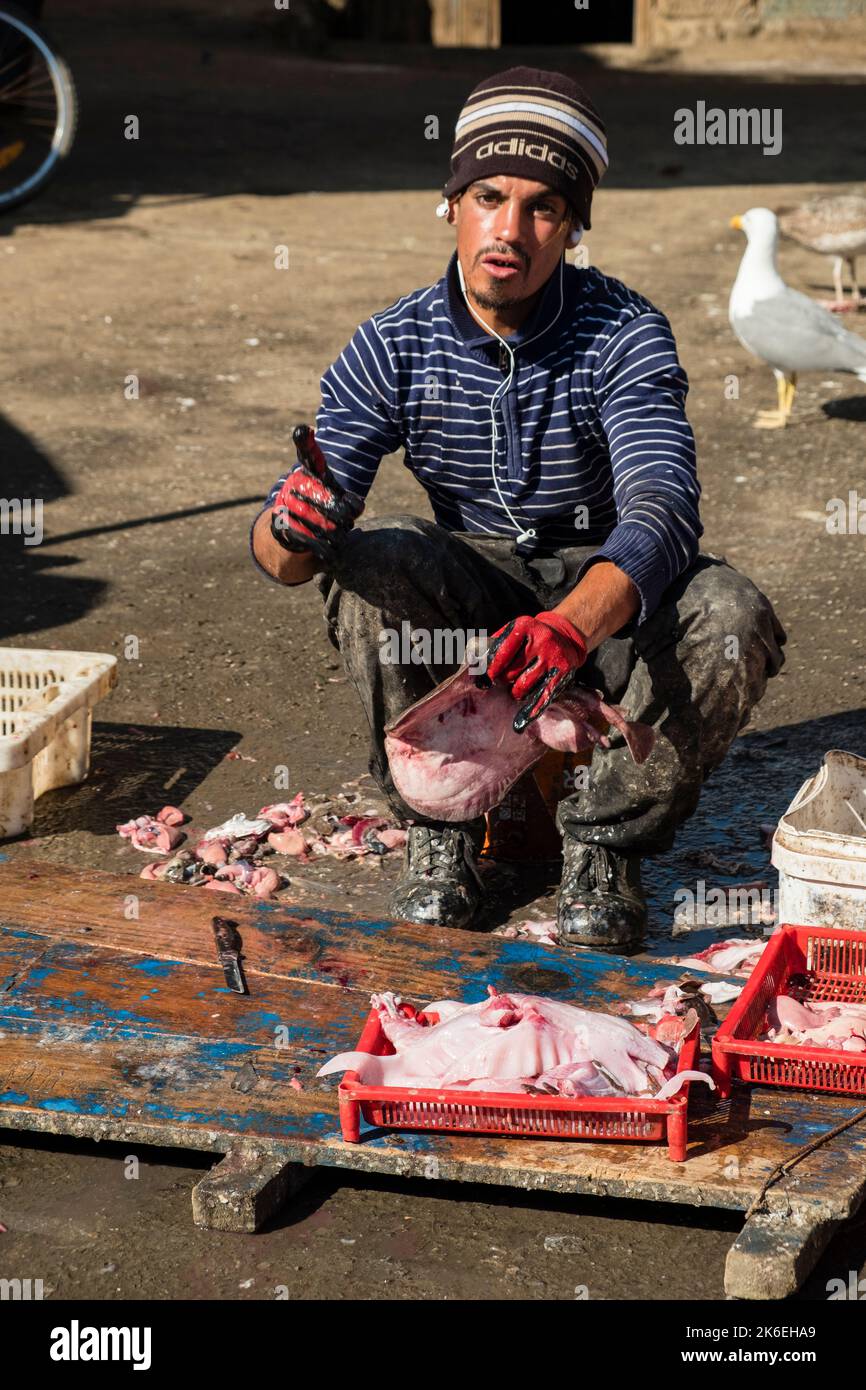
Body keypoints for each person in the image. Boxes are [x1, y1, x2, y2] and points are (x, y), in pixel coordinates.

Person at [251, 66, 786, 951]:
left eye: (544, 207)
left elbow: (663, 504)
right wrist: (290, 527)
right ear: (451, 201)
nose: (511, 230)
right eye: (490, 195)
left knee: (732, 614)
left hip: (608, 607)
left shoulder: (624, 330)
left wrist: (573, 626)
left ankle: (605, 844)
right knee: (368, 560)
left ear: (573, 225)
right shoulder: (392, 342)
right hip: (476, 608)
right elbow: (286, 557)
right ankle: (440, 831)